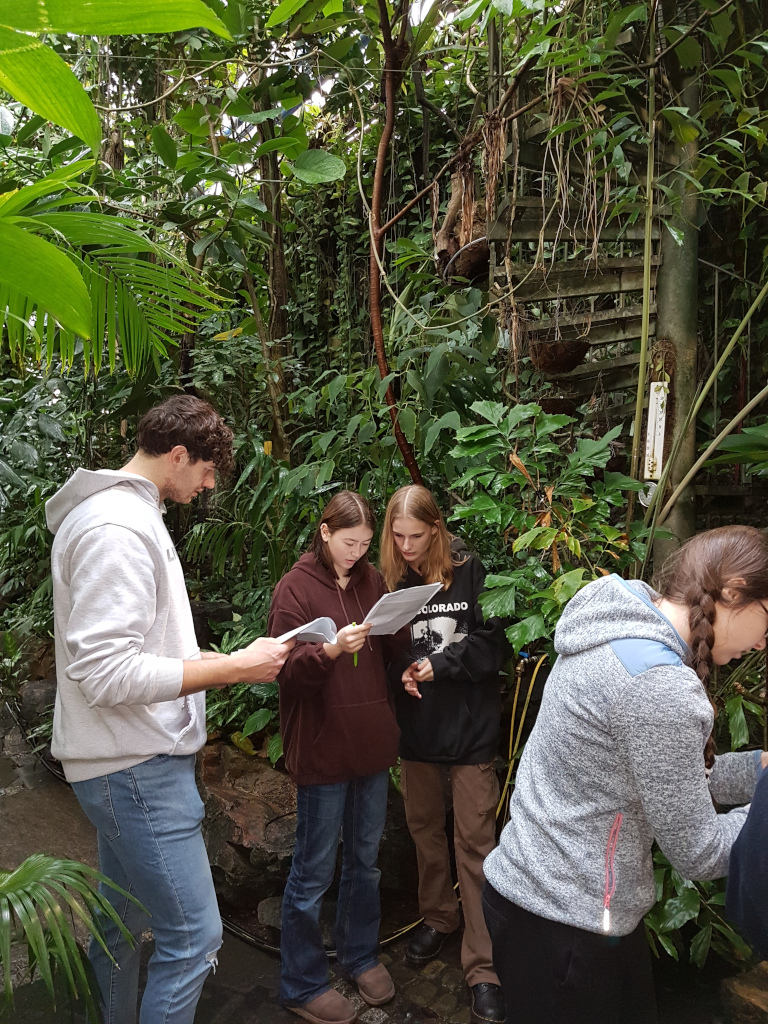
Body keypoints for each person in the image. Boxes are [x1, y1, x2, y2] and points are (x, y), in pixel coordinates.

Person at [47, 395, 292, 1024]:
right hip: (135, 768)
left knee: (122, 918)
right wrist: (235, 668)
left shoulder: (125, 515)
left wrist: (216, 659)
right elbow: (106, 672)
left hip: (123, 760)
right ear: (177, 455)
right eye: (206, 472)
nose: (207, 487)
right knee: (193, 941)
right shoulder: (116, 530)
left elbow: (133, 648)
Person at [482, 525, 768, 1024]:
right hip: (566, 924)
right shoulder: (656, 686)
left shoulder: (624, 623)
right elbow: (700, 851)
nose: (764, 641)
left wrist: (760, 768)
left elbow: (670, 778)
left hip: (543, 898)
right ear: (734, 591)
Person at [267, 491, 409, 1024]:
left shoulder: (372, 582)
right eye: (349, 542)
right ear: (325, 532)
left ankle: (360, 956)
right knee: (312, 872)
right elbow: (286, 674)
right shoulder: (295, 588)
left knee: (365, 863)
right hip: (323, 748)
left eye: (366, 544)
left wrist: (406, 652)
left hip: (370, 745)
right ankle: (302, 983)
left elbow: (390, 650)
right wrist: (329, 650)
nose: (357, 552)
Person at [380, 485, 508, 1024]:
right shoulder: (390, 580)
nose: (407, 547)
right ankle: (438, 916)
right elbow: (383, 647)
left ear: (436, 528)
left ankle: (484, 966)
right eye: (398, 536)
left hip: (470, 732)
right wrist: (402, 674)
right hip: (418, 734)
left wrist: (443, 664)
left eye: (416, 536)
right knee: (425, 831)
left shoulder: (469, 569)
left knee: (475, 843)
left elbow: (494, 643)